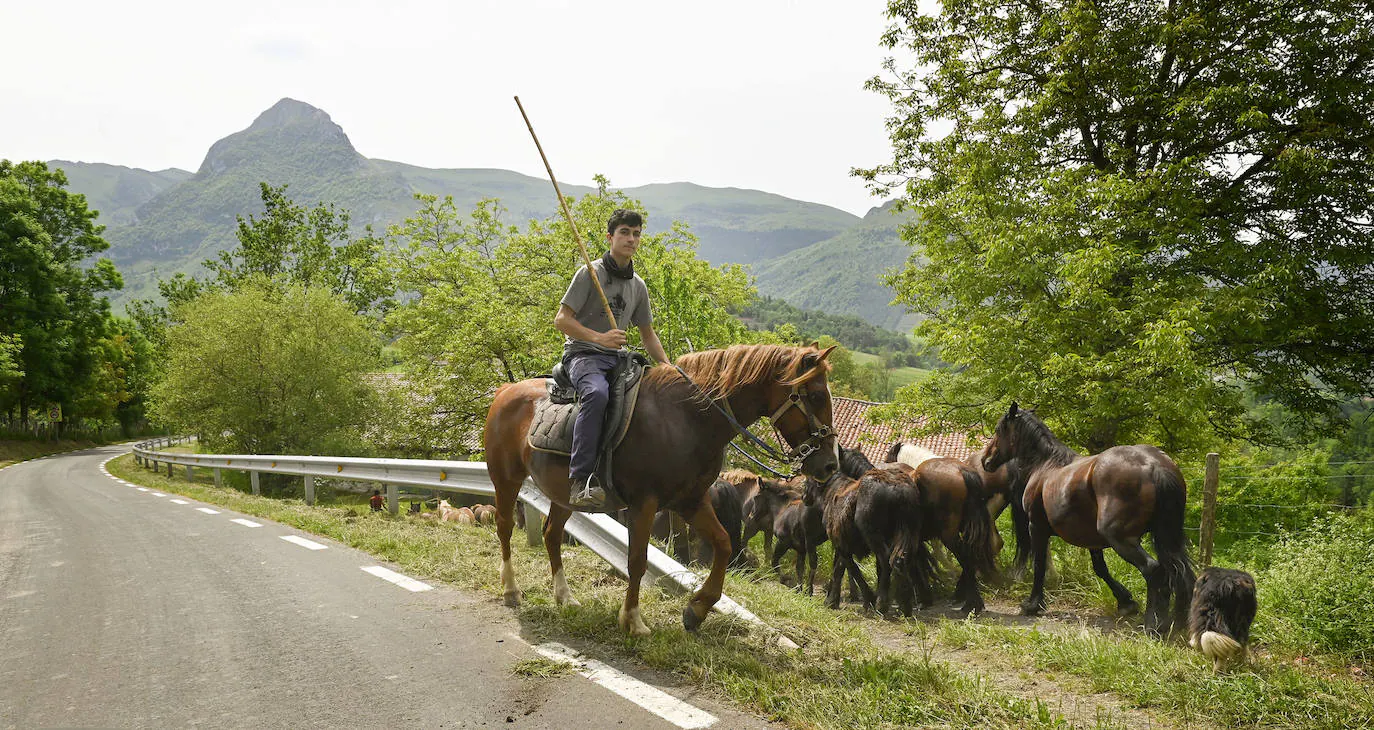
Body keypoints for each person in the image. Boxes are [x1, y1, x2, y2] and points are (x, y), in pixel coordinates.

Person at [554, 208, 670, 509]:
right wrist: (599, 338)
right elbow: (562, 320)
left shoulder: (638, 286)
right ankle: (581, 479)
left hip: (619, 360)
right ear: (610, 237)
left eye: (636, 234)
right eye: (625, 233)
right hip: (583, 355)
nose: (631, 239)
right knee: (596, 394)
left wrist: (670, 367)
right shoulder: (590, 274)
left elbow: (648, 335)